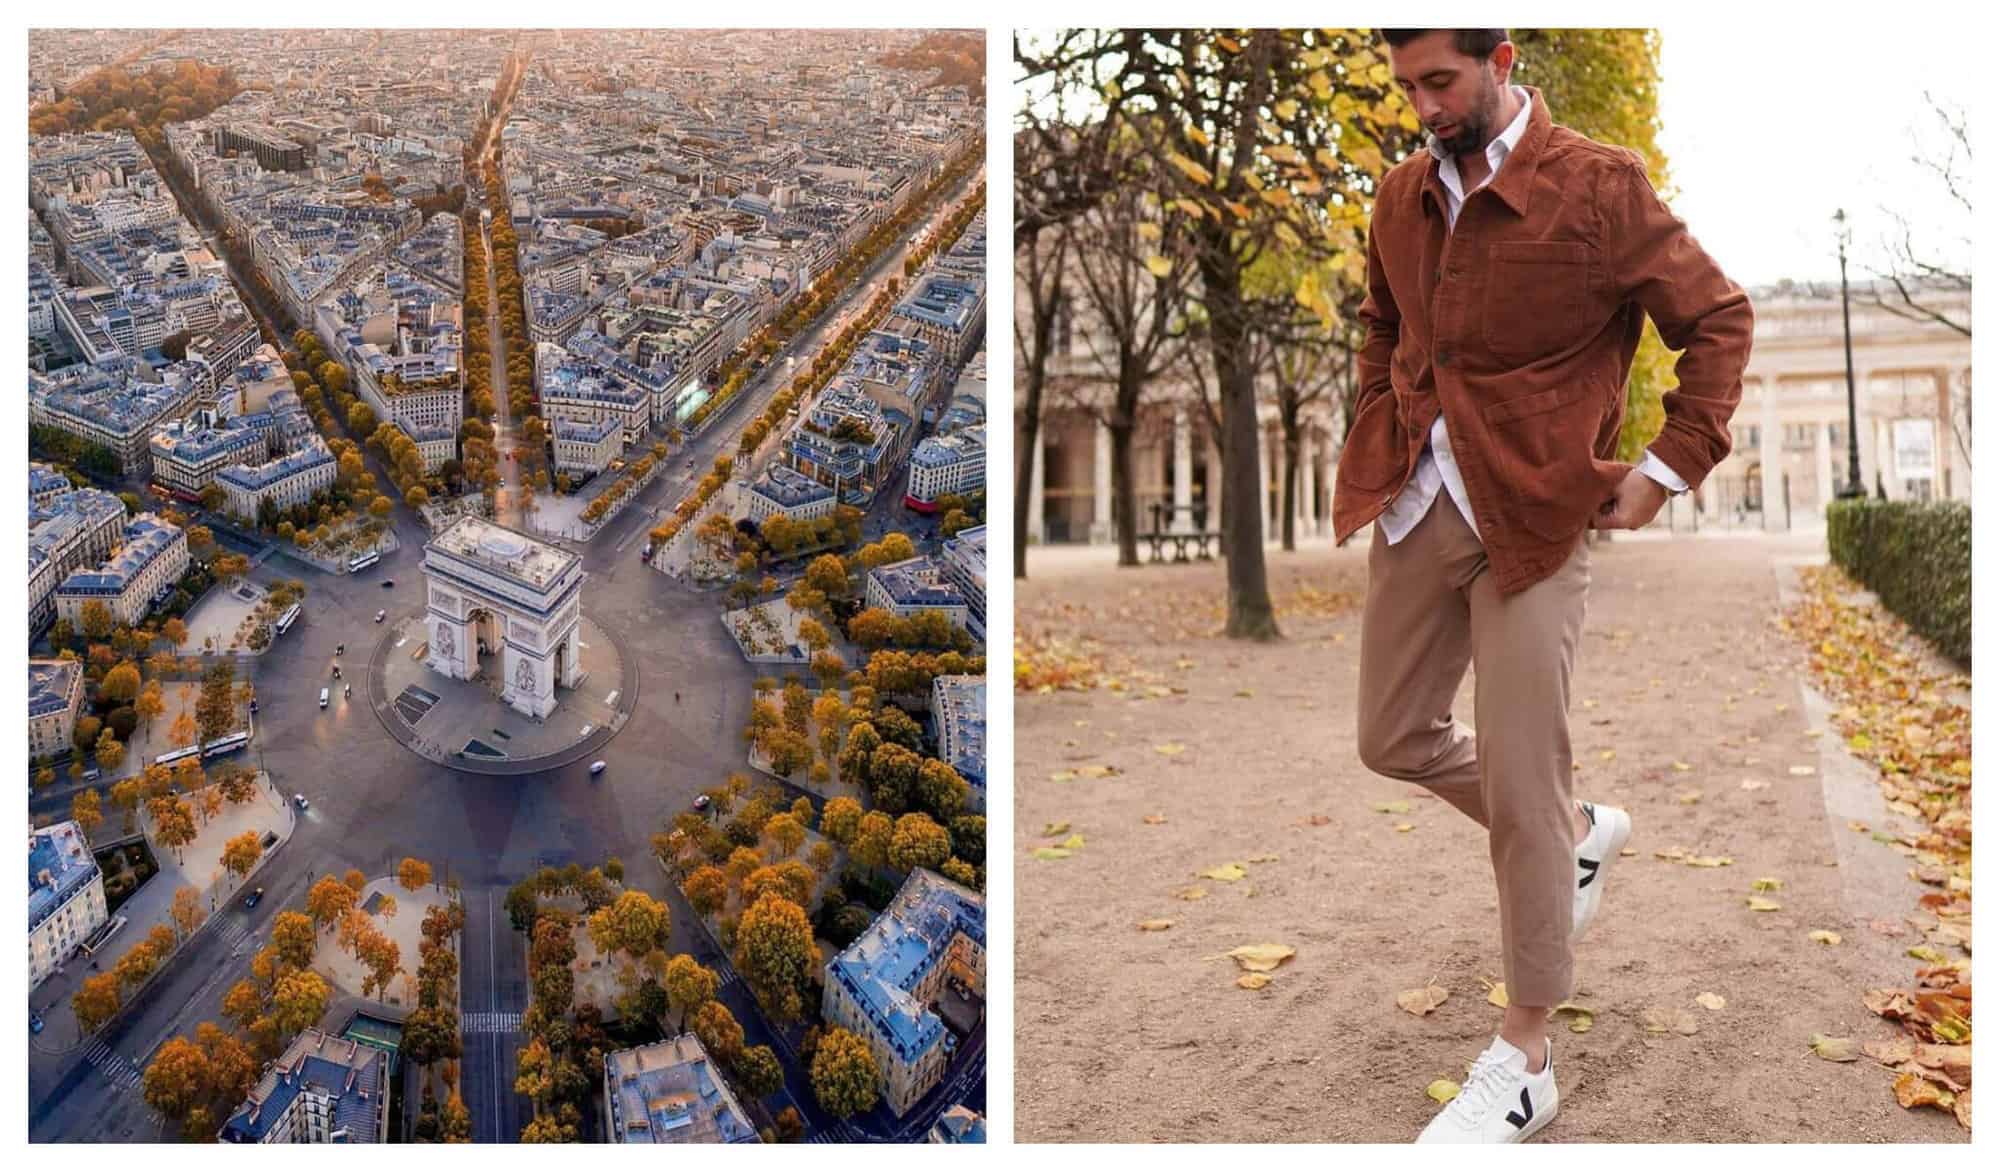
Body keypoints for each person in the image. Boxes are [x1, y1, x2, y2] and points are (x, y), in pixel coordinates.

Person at [1332, 29, 1753, 1143]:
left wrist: (1666, 469)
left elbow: (1713, 318)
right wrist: (1384, 424)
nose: (1422, 105)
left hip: (1534, 515)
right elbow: (1383, 326)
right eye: (1406, 85)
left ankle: (1523, 1055)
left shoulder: (1599, 187)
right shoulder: (1395, 196)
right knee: (1388, 735)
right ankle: (1572, 829)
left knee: (1519, 782)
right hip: (1423, 502)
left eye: (1440, 81)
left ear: (1500, 58)